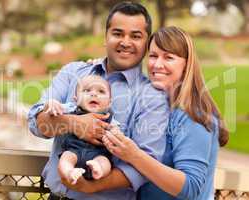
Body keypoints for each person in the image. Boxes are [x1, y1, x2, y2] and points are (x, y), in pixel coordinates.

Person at [28, 2, 170, 200]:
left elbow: (146, 164)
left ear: (147, 44)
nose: (125, 42)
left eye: (135, 36)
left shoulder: (153, 97)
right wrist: (73, 123)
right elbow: (35, 122)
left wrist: (89, 187)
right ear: (106, 37)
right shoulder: (73, 73)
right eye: (118, 33)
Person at [102, 26, 229, 200]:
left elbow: (191, 188)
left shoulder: (193, 115)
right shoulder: (152, 106)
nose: (157, 64)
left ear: (186, 64)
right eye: (153, 56)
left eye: (168, 57)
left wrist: (134, 155)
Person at [45, 75, 119, 185]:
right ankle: (70, 172)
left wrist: (115, 135)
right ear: (76, 99)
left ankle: (98, 169)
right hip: (73, 150)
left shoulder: (109, 118)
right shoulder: (71, 108)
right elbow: (52, 110)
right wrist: (51, 104)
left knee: (105, 162)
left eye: (101, 91)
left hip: (98, 153)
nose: (93, 94)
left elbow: (117, 132)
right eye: (87, 90)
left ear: (109, 102)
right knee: (65, 159)